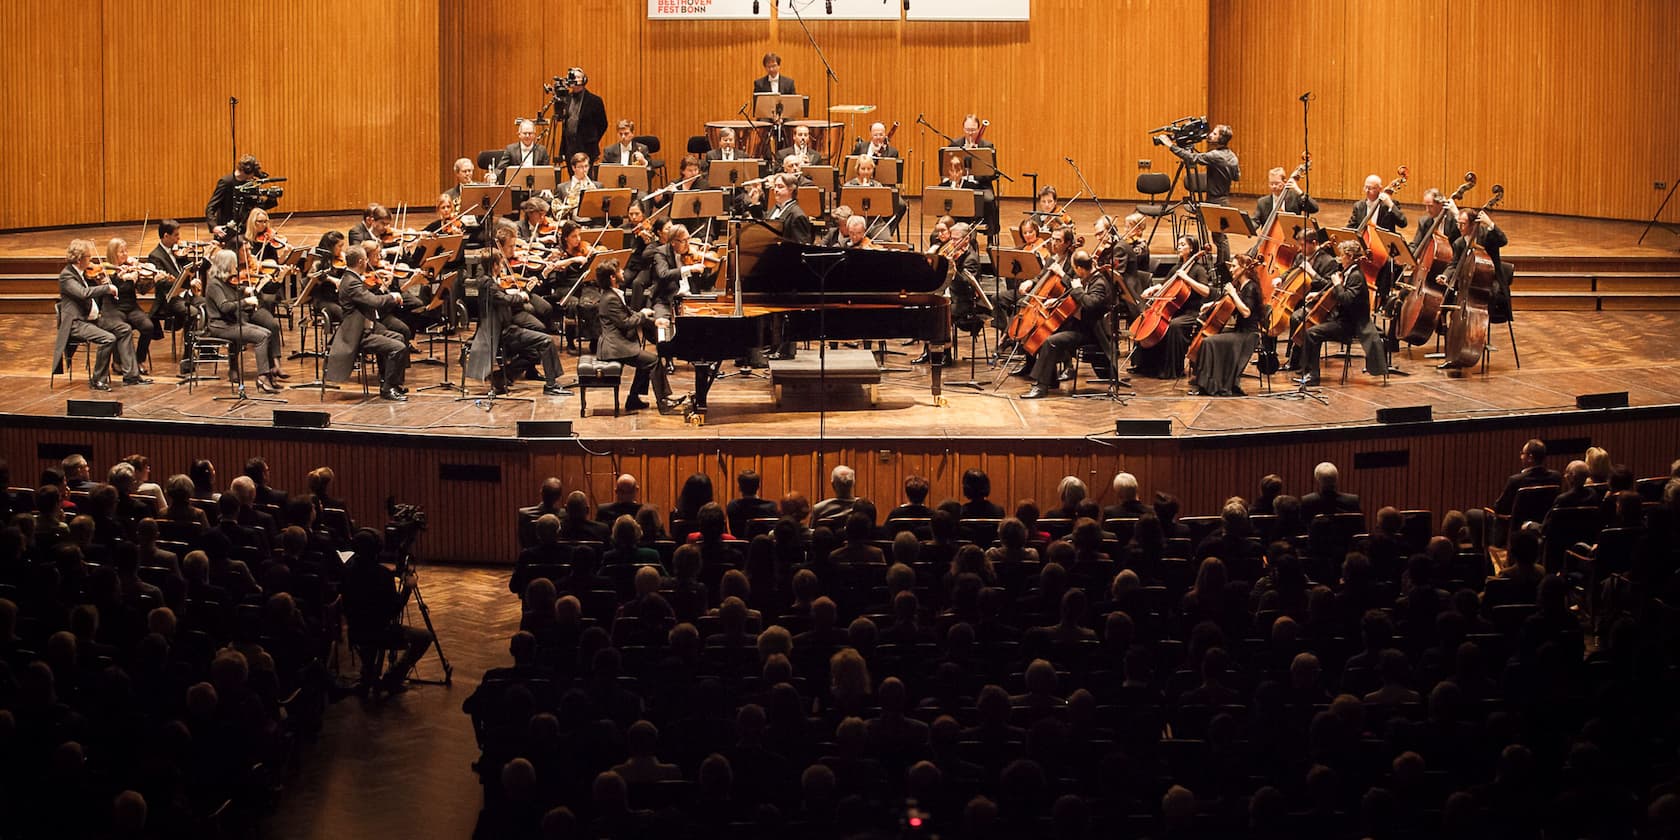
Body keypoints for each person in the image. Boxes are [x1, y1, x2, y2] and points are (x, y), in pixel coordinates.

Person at [466, 231, 567, 397]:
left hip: (508, 328)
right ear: (495, 266)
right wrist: (519, 295)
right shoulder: (487, 284)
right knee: (546, 341)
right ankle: (551, 384)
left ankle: (501, 376)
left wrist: (522, 289)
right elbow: (503, 299)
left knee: (534, 352)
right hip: (503, 332)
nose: (503, 267)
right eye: (500, 264)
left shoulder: (490, 281)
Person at [341, 528, 434, 695]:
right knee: (425, 637)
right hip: (380, 633)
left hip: (355, 631)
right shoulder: (382, 575)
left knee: (368, 630)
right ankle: (392, 679)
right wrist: (408, 588)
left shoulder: (347, 571)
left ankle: (368, 676)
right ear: (377, 550)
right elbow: (393, 610)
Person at [1021, 250, 1115, 399]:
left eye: (1075, 269)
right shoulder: (1088, 279)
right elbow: (1074, 295)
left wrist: (1077, 289)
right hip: (1077, 325)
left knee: (1051, 342)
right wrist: (1057, 301)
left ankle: (1041, 386)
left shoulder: (1099, 283)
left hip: (1090, 332)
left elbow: (1089, 304)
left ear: (1079, 268)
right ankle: (1050, 380)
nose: (1075, 274)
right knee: (1043, 332)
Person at [593, 259, 681, 414]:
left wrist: (655, 322)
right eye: (620, 271)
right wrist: (642, 314)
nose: (623, 273)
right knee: (653, 361)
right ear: (613, 277)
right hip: (614, 347)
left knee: (645, 362)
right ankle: (664, 402)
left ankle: (633, 400)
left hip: (618, 344)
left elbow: (630, 314)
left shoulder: (613, 294)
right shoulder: (610, 298)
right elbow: (625, 322)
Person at [52, 238, 140, 391]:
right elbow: (83, 293)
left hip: (92, 319)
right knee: (108, 338)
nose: (91, 260)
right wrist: (106, 288)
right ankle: (98, 379)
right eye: (88, 257)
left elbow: (94, 286)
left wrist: (107, 280)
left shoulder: (85, 273)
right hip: (76, 322)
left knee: (124, 329)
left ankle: (131, 376)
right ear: (80, 259)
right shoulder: (67, 276)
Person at [323, 246, 410, 402]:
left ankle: (391, 382)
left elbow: (367, 294)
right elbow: (373, 301)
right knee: (397, 348)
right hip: (358, 334)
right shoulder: (351, 283)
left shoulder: (353, 278)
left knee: (399, 337)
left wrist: (381, 286)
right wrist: (392, 296)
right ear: (361, 261)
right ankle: (387, 389)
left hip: (369, 328)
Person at [1294, 239, 1383, 387]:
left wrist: (1336, 284)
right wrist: (1317, 294)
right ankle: (1308, 371)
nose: (1339, 258)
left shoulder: (1356, 276)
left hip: (1351, 325)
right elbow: (1334, 292)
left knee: (1312, 333)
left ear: (1349, 256)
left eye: (1342, 255)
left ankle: (1313, 376)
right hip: (1341, 319)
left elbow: (1346, 299)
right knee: (1311, 330)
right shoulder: (1348, 272)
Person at [1159, 122, 1239, 277]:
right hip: (1223, 199)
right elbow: (1236, 176)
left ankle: (1223, 271)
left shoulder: (1215, 156)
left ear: (1221, 138)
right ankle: (1222, 268)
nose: (1210, 135)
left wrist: (1170, 145)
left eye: (1214, 133)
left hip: (1215, 201)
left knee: (1220, 238)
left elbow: (1191, 158)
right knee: (1220, 237)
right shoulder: (1231, 155)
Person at [1130, 236, 1213, 380]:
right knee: (1149, 321)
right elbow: (1165, 284)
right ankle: (1147, 366)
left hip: (1190, 312)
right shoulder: (1177, 268)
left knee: (1174, 326)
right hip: (1174, 310)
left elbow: (1206, 291)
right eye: (1178, 244)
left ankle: (1171, 370)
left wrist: (1186, 278)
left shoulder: (1198, 270)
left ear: (1192, 248)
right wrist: (1153, 289)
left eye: (1182, 244)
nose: (1179, 247)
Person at [200, 248, 282, 393]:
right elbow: (224, 307)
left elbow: (233, 291)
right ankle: (263, 378)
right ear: (226, 265)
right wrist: (246, 302)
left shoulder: (225, 282)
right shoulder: (214, 284)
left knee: (267, 332)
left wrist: (244, 290)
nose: (236, 267)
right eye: (233, 264)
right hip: (221, 326)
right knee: (262, 337)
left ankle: (268, 374)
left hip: (233, 323)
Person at [1190, 254, 1264, 397]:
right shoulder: (1242, 286)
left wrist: (1233, 293)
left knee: (1208, 342)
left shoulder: (1250, 287)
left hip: (1247, 335)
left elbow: (1246, 312)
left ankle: (1210, 385)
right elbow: (1230, 303)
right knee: (1210, 340)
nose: (1231, 269)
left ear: (1244, 269)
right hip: (1239, 332)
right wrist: (1211, 305)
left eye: (1234, 266)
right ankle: (1209, 383)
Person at [1346, 173, 1409, 301]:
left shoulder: (1389, 205)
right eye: (1366, 187)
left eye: (1371, 188)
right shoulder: (1359, 206)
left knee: (1387, 264)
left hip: (1383, 247)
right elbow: (1351, 226)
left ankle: (1382, 298)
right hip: (1364, 245)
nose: (1367, 191)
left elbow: (1403, 222)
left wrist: (1390, 204)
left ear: (1380, 189)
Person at [103, 238, 159, 374]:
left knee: (148, 326)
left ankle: (139, 360)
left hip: (131, 307)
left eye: (126, 251)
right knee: (121, 328)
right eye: (121, 252)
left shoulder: (131, 268)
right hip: (114, 308)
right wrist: (126, 278)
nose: (125, 254)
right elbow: (116, 288)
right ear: (113, 253)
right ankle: (117, 362)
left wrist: (151, 279)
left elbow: (143, 291)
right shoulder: (107, 271)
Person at [146, 219, 199, 337]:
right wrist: (186, 283)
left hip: (185, 295)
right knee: (193, 313)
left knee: (207, 305)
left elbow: (188, 270)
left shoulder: (177, 251)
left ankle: (206, 349)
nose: (179, 238)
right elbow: (162, 283)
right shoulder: (155, 256)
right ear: (166, 236)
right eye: (176, 235)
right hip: (169, 299)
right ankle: (188, 352)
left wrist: (185, 258)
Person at [205, 154, 278, 239]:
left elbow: (258, 206)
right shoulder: (226, 182)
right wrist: (214, 226)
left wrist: (272, 198)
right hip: (229, 229)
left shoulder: (251, 182)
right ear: (246, 172)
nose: (253, 177)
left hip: (249, 230)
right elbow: (211, 207)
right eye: (253, 174)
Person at [1492, 439, 1562, 517]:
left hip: (1520, 527)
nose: (1521, 457)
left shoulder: (1516, 481)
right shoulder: (1556, 477)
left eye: (1522, 453)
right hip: (1547, 526)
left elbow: (1499, 508)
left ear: (1530, 457)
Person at [553, 67, 608, 162]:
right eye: (572, 76)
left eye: (577, 76)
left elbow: (603, 124)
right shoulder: (566, 98)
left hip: (587, 149)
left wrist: (592, 140)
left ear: (584, 79)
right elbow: (562, 122)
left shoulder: (595, 101)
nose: (574, 79)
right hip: (569, 148)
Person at [1255, 164, 1319, 221]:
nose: (1274, 186)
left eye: (1277, 183)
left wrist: (1299, 192)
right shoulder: (1262, 202)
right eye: (1271, 183)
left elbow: (1314, 209)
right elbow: (1255, 220)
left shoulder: (1295, 198)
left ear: (1285, 182)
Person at [727, 469, 779, 538]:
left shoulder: (733, 506)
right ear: (758, 487)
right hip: (766, 547)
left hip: (742, 548)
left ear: (739, 488)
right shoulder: (771, 506)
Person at [555, 153, 602, 224]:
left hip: (593, 224)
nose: (584, 170)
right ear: (573, 168)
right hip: (571, 224)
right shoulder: (562, 187)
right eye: (580, 167)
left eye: (586, 166)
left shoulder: (598, 186)